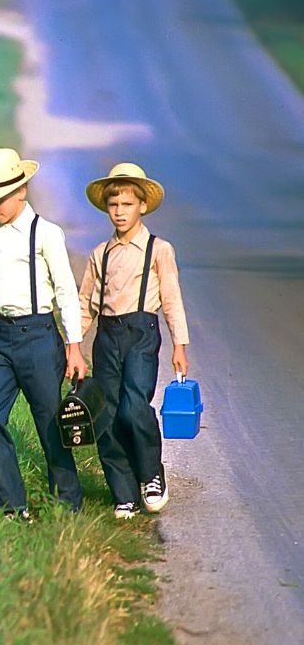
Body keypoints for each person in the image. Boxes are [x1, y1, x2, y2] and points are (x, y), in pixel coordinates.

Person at [0, 148, 87, 519]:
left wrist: (74, 346)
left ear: (21, 191)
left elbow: (65, 290)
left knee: (49, 421)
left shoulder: (45, 233)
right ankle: (12, 504)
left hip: (38, 335)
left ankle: (66, 501)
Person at [78, 163, 189, 517]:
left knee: (134, 407)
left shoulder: (158, 249)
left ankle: (151, 474)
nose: (120, 212)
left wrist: (179, 345)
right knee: (107, 414)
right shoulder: (101, 253)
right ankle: (123, 492)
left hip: (142, 333)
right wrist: (73, 346)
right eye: (113, 205)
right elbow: (86, 303)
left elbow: (171, 298)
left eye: (127, 204)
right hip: (107, 336)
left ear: (142, 206)